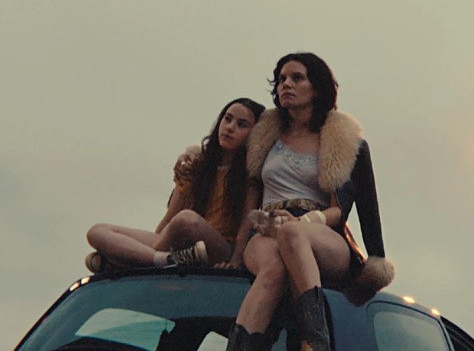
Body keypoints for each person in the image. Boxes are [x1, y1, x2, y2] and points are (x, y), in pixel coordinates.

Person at [225, 53, 395, 351]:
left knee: (291, 233)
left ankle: (316, 341)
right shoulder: (265, 136)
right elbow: (238, 180)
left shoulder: (343, 141)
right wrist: (236, 256)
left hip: (321, 230)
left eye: (296, 78)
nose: (285, 85)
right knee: (273, 269)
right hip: (266, 227)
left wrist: (304, 221)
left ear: (316, 88)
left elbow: (350, 209)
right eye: (281, 79)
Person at [85, 98, 265, 272]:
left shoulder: (249, 174)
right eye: (227, 119)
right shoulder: (196, 165)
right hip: (179, 245)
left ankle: (132, 262)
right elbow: (170, 218)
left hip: (218, 246)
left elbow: (246, 222)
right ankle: (163, 260)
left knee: (187, 219)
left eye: (241, 125)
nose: (230, 127)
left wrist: (235, 261)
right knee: (97, 232)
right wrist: (154, 242)